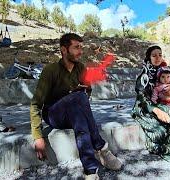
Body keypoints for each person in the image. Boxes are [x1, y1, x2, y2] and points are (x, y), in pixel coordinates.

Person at [30, 33, 122, 180]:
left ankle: (91, 171)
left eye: (81, 47)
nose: (80, 51)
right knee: (78, 98)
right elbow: (36, 104)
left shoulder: (81, 68)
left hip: (74, 112)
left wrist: (82, 91)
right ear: (64, 50)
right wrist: (37, 136)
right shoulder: (51, 70)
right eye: (76, 47)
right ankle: (101, 148)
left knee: (80, 109)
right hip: (54, 114)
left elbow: (88, 91)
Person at [131, 45, 170, 161]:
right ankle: (167, 148)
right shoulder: (144, 75)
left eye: (160, 55)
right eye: (154, 55)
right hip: (145, 106)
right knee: (165, 119)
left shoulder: (163, 71)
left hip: (161, 103)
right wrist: (156, 110)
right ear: (149, 58)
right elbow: (142, 97)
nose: (158, 58)